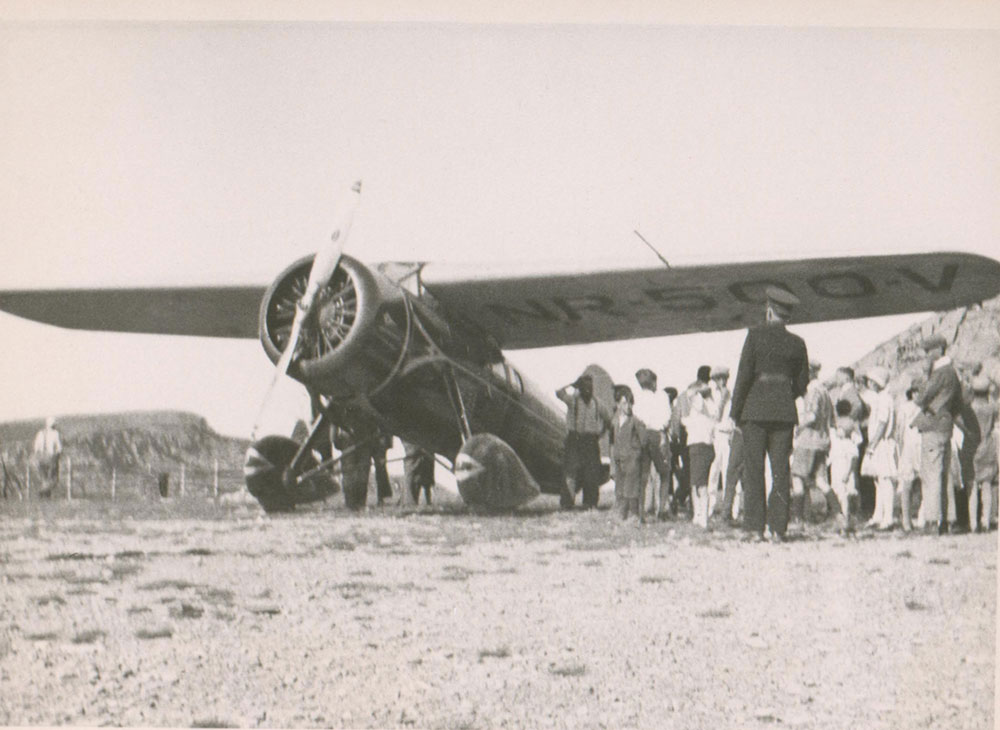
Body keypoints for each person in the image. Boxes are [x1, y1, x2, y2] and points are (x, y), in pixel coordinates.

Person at [730, 287, 809, 543]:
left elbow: (743, 376)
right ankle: (778, 529)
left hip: (754, 411)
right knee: (780, 471)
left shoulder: (754, 336)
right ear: (788, 315)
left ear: (769, 310)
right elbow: (802, 383)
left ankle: (754, 528)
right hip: (784, 413)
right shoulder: (798, 343)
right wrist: (784, 396)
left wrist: (735, 412)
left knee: (753, 470)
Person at [913, 333, 964, 535]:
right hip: (946, 425)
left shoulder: (939, 372)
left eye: (928, 350)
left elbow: (921, 397)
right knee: (944, 474)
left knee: (931, 475)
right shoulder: (953, 373)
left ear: (938, 349)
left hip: (932, 426)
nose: (926, 354)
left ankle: (932, 521)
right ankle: (948, 520)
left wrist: (926, 375)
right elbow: (959, 402)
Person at [556, 373, 612, 509]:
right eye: (585, 385)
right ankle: (567, 503)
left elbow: (608, 420)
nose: (588, 388)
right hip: (574, 439)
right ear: (580, 387)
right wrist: (572, 383)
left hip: (591, 441)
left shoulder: (598, 403)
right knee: (570, 473)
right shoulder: (572, 400)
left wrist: (600, 433)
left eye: (590, 385)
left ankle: (590, 503)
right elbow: (558, 392)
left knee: (592, 473)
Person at [790, 360, 833, 528]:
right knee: (821, 481)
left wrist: (797, 427)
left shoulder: (813, 392)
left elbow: (811, 416)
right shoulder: (825, 392)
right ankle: (839, 514)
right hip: (822, 441)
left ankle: (798, 519)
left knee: (797, 478)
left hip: (807, 441)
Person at [669, 366, 711, 515]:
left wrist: (675, 436)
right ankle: (690, 505)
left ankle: (687, 504)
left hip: (684, 437)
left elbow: (675, 418)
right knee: (695, 473)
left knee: (690, 472)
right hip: (696, 436)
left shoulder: (682, 395)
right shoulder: (703, 393)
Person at [861, 366, 898, 530]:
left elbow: (882, 423)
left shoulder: (885, 399)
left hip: (883, 443)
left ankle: (888, 517)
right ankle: (878, 515)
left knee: (885, 480)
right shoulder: (881, 398)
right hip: (879, 442)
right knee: (878, 480)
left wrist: (873, 443)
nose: (868, 383)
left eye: (871, 380)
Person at [632, 368, 672, 519]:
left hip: (642, 435)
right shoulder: (661, 396)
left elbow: (635, 417)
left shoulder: (638, 398)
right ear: (653, 382)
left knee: (643, 475)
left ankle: (641, 512)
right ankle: (662, 509)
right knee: (664, 473)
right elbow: (667, 418)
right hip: (657, 434)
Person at [684, 380, 716, 528]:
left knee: (701, 485)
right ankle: (697, 514)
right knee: (694, 484)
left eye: (693, 397)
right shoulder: (694, 413)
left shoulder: (706, 409)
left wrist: (700, 395)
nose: (690, 401)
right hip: (694, 448)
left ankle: (703, 516)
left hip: (703, 448)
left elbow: (702, 405)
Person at [612, 385, 646, 522]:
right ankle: (622, 515)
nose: (628, 406)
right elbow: (613, 441)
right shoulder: (615, 421)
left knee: (631, 489)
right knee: (620, 487)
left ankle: (634, 516)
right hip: (620, 459)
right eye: (625, 403)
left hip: (632, 460)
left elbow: (644, 440)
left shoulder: (635, 421)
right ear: (618, 404)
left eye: (630, 403)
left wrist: (636, 452)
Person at [968, 376, 997, 532]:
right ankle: (985, 520)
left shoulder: (970, 408)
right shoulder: (991, 408)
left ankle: (973, 523)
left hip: (973, 447)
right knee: (987, 484)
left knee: (973, 486)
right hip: (988, 446)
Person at [829, 399, 862, 533]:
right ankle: (847, 520)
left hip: (837, 464)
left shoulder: (834, 426)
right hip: (846, 464)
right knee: (847, 492)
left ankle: (843, 521)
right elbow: (859, 442)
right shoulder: (853, 427)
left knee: (839, 493)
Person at [896, 376, 924, 532]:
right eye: (915, 392)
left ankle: (922, 517)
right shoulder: (905, 407)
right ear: (911, 393)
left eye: (920, 392)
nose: (917, 395)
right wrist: (900, 448)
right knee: (907, 483)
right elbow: (900, 430)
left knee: (924, 482)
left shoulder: (927, 407)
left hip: (923, 445)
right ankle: (906, 520)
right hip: (909, 447)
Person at [706, 365, 733, 518]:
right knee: (713, 472)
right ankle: (711, 507)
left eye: (722, 378)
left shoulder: (730, 395)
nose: (720, 381)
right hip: (716, 435)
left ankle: (731, 509)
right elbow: (714, 415)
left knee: (728, 470)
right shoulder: (713, 396)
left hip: (727, 434)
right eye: (717, 379)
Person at [32, 416, 62, 499]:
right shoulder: (55, 433)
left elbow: (35, 447)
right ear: (53, 425)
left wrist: (37, 457)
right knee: (54, 478)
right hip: (51, 457)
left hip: (40, 457)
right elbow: (59, 448)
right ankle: (43, 492)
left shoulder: (40, 433)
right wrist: (57, 456)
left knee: (44, 477)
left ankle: (45, 495)